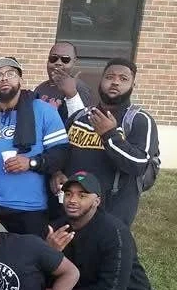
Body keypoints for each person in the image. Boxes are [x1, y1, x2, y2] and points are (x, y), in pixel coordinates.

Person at [0, 58, 68, 236]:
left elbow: (60, 154)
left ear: (20, 79)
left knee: (29, 254)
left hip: (31, 209)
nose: (4, 78)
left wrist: (31, 163)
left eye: (11, 74)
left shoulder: (44, 111)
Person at [55, 59, 160, 226]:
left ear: (133, 85)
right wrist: (57, 172)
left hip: (111, 214)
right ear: (101, 81)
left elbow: (138, 164)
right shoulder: (80, 117)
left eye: (123, 79)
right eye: (110, 77)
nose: (115, 82)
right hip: (70, 209)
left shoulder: (138, 120)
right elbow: (59, 151)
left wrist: (109, 135)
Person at [34, 41, 93, 116]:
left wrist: (72, 95)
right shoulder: (41, 88)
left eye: (65, 59)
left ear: (74, 62)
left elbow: (83, 119)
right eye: (53, 58)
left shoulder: (79, 88)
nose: (58, 63)